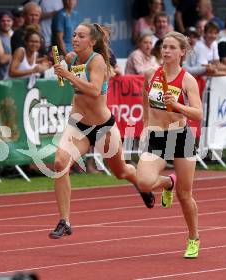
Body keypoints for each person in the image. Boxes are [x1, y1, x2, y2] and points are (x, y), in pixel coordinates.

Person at [49, 23, 156, 238]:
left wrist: (68, 76)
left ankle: (141, 184)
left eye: (81, 36)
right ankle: (64, 221)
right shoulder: (71, 58)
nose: (75, 39)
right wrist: (58, 68)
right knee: (60, 163)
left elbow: (94, 90)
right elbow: (63, 74)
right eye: (74, 35)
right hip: (77, 125)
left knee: (121, 172)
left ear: (92, 41)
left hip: (102, 128)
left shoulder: (97, 61)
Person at [136, 31, 203, 259]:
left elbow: (199, 113)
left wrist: (177, 105)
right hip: (156, 136)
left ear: (182, 52)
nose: (166, 51)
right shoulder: (150, 74)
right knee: (143, 183)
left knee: (185, 195)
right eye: (164, 47)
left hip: (180, 137)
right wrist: (146, 123)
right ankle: (167, 182)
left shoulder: (187, 80)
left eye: (172, 47)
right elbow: (145, 97)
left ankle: (193, 238)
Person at [0, 11, 14, 80]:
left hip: (15, 77)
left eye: (8, 21)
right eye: (3, 21)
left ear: (12, 22)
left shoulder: (15, 35)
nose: (6, 23)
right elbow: (1, 59)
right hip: (2, 78)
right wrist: (18, 54)